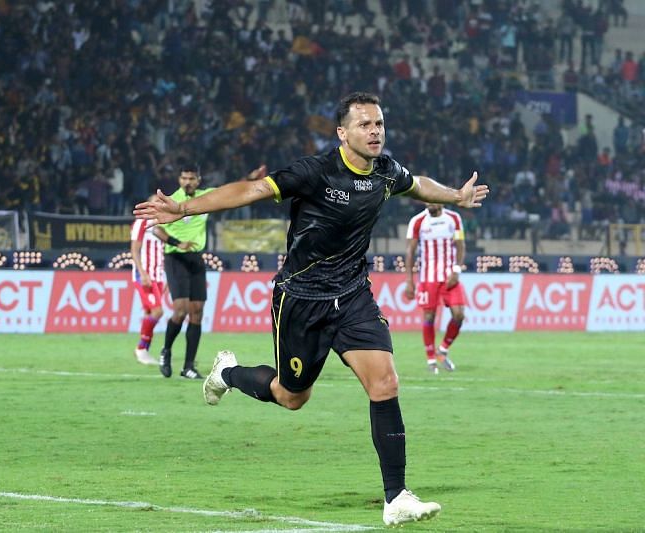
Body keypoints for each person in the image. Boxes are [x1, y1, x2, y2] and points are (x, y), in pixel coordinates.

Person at [135, 92, 489, 526]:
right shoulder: (315, 171)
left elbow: (418, 185)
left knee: (385, 384)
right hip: (302, 299)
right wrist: (184, 207)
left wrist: (455, 196)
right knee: (292, 396)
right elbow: (253, 189)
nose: (375, 131)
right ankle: (226, 373)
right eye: (365, 124)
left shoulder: (385, 171)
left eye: (379, 123)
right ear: (343, 133)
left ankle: (396, 497)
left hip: (354, 296)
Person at [155, 162, 265, 380]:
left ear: (198, 180)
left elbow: (230, 192)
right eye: (184, 178)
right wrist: (177, 242)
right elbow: (156, 229)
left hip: (196, 258)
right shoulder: (171, 200)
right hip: (175, 258)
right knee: (181, 309)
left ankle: (188, 366)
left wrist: (251, 178)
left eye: (191, 178)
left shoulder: (204, 198)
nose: (187, 182)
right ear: (179, 180)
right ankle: (166, 350)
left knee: (197, 312)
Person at [404, 203, 467, 374]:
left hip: (449, 277)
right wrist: (409, 281)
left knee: (459, 314)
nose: (429, 203)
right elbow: (410, 252)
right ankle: (431, 359)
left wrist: (456, 270)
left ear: (441, 200)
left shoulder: (453, 218)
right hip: (427, 278)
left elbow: (461, 245)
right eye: (426, 200)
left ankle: (443, 350)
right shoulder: (417, 221)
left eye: (432, 199)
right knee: (429, 317)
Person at [130, 195, 168, 366]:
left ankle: (144, 351)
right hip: (146, 275)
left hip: (158, 275)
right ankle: (141, 348)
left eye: (160, 202)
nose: (158, 204)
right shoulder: (141, 222)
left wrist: (164, 276)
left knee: (149, 313)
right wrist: (142, 272)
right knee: (158, 311)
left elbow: (161, 252)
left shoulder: (161, 224)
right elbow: (134, 250)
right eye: (155, 202)